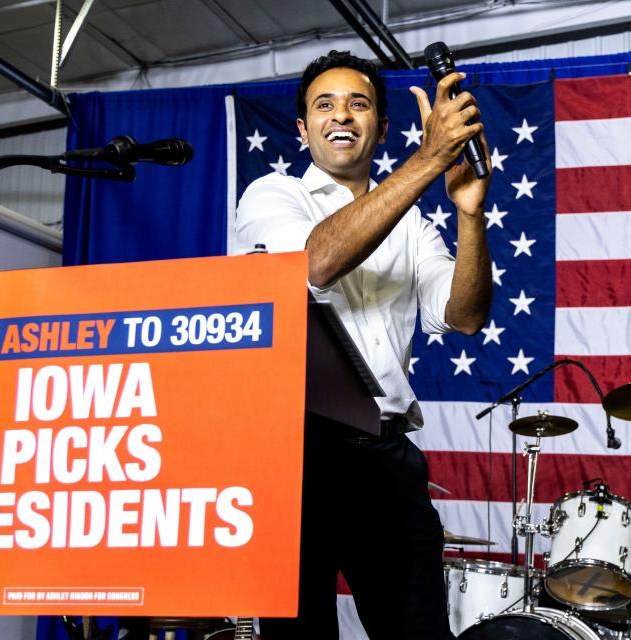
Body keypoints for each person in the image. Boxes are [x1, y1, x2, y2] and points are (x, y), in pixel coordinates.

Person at [235, 50, 493, 640]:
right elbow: (313, 263)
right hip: (297, 455)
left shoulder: (414, 225)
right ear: (303, 130)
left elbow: (465, 315)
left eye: (359, 103)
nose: (342, 115)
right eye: (324, 105)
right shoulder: (270, 196)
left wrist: (469, 215)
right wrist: (428, 160)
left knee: (419, 634)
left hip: (386, 459)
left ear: (379, 125)